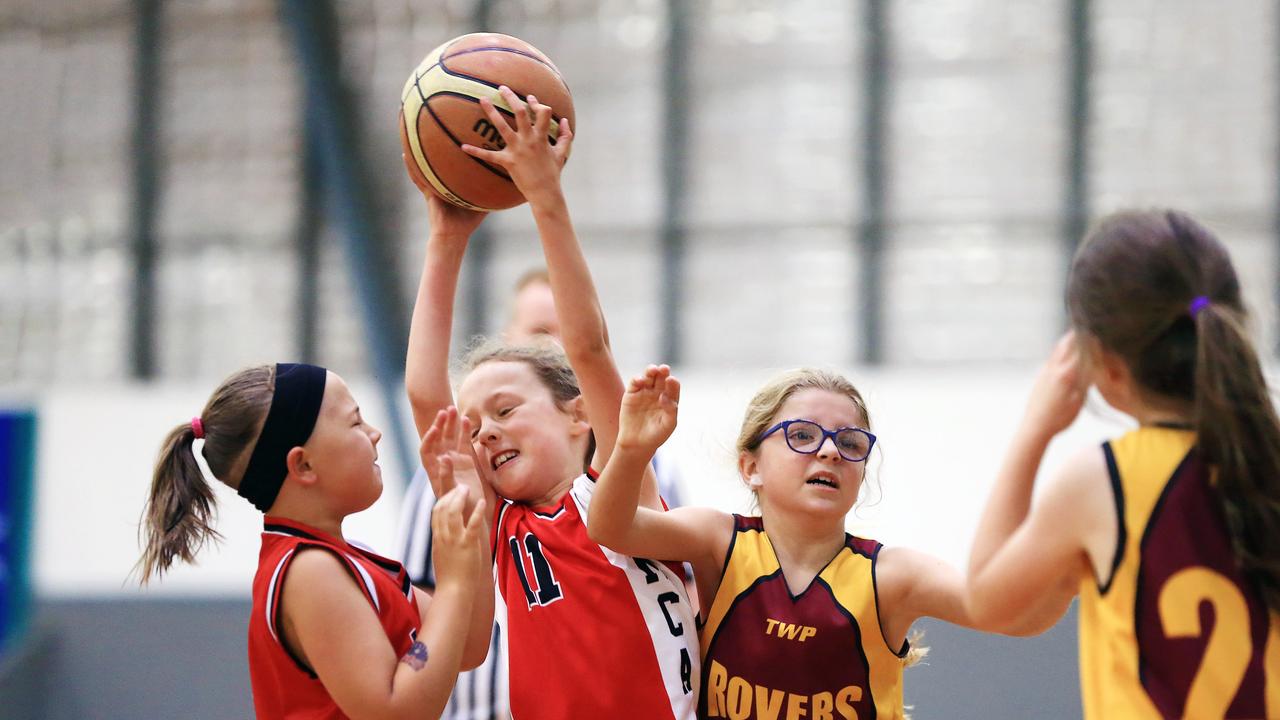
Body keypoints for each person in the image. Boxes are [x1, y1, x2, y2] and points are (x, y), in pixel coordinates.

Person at [402, 85, 699, 719]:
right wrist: (445, 240)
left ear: (578, 414)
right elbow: (428, 397)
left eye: (505, 411)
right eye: (477, 426)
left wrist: (545, 196)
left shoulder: (619, 489)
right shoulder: (500, 525)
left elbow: (589, 349)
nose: (483, 434)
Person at [589, 364, 1057, 719]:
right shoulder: (720, 542)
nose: (830, 450)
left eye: (851, 443)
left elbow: (1013, 616)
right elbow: (611, 528)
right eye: (803, 435)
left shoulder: (891, 575)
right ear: (751, 467)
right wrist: (633, 448)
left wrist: (1071, 554)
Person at [966, 209, 1280, 718]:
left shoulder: (1102, 482)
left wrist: (1034, 431)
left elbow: (987, 601)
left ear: (1106, 365)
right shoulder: (1268, 458)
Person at [137, 362, 492, 719]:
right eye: (355, 422)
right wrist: (454, 586)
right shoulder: (310, 571)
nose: (374, 433)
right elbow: (394, 712)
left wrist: (472, 520)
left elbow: (469, 646)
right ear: (303, 465)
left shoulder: (348, 560)